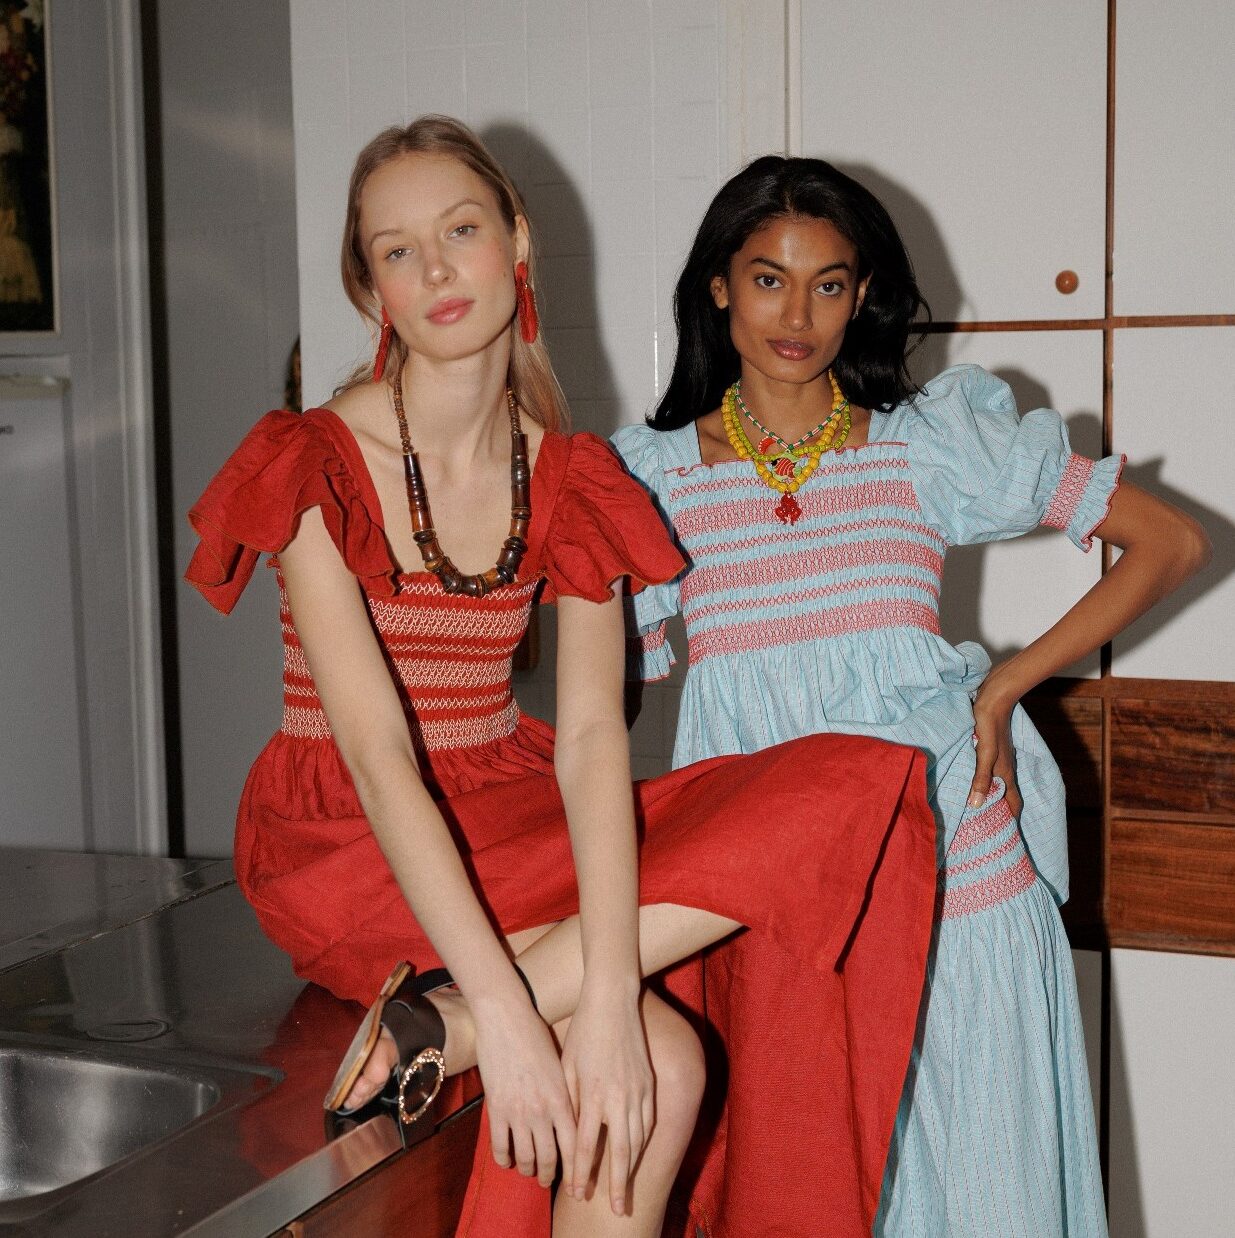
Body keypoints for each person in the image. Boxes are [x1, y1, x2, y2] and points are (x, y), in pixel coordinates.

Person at [186, 118, 937, 1237]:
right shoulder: (314, 462)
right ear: (370, 289)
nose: (435, 268)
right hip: (346, 832)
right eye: (397, 250)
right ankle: (456, 1019)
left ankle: (438, 1026)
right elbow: (378, 757)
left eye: (461, 229)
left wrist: (552, 1016)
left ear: (516, 242)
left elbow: (590, 738)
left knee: (861, 784)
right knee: (665, 1062)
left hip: (510, 799)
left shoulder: (575, 477)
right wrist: (507, 1006)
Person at [614, 155, 1211, 1238]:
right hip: (783, 903)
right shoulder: (647, 479)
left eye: (829, 283)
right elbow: (565, 673)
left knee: (991, 1196)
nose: (797, 313)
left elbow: (1166, 542)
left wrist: (1010, 684)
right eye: (766, 278)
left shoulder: (926, 444)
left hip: (956, 879)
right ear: (716, 286)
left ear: (861, 295)